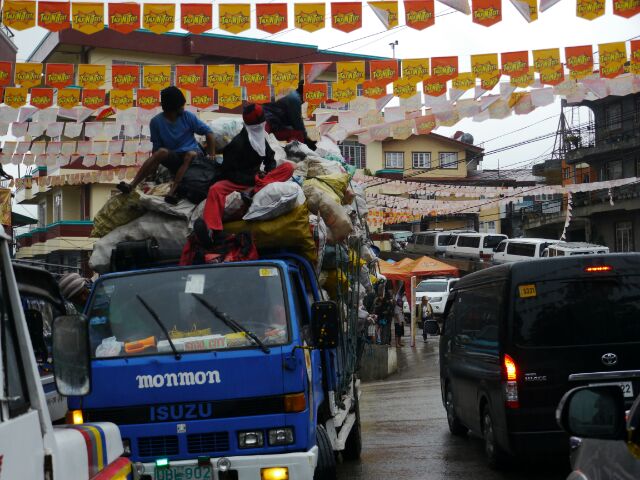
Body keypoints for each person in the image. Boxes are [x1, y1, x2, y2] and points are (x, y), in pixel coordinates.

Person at [193, 103, 294, 248]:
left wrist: (267, 172)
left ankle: (254, 190)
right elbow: (227, 171)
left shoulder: (260, 138)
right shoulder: (237, 143)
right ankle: (213, 230)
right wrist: (250, 179)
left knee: (288, 167)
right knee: (215, 189)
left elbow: (270, 158)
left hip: (258, 180)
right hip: (239, 181)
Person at [117, 86, 216, 204]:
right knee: (161, 152)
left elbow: (209, 133)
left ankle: (172, 192)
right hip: (175, 158)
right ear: (174, 106)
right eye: (181, 105)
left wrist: (211, 155)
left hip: (194, 158)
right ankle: (131, 185)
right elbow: (156, 149)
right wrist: (152, 173)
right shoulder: (156, 122)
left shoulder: (188, 116)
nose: (183, 107)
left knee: (189, 154)